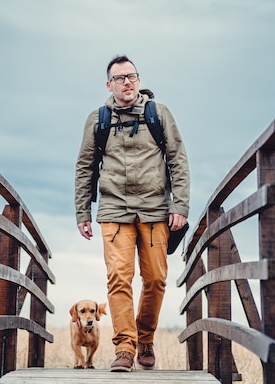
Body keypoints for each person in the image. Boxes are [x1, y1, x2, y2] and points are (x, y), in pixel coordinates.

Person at [74, 55, 190, 372]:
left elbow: (178, 160)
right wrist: (82, 211)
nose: (127, 82)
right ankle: (125, 348)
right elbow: (85, 168)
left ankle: (145, 338)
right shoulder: (98, 119)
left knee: (155, 280)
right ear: (109, 84)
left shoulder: (158, 114)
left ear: (138, 80)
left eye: (132, 76)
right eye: (120, 77)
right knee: (118, 279)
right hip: (114, 210)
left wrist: (179, 205)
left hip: (155, 211)